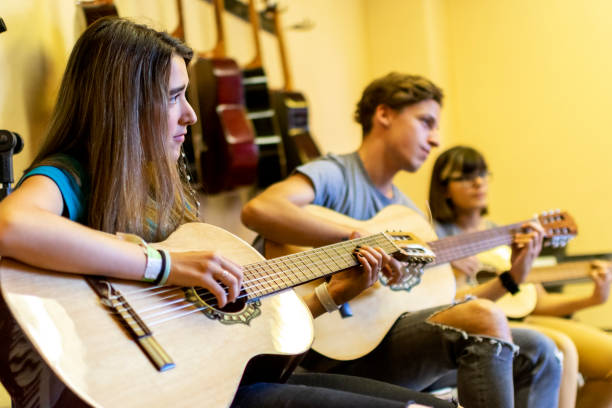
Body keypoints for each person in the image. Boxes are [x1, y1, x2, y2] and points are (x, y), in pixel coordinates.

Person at [0, 18, 458, 408]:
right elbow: (12, 225)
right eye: (174, 96)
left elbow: (239, 334)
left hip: (219, 385)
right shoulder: (70, 176)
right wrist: (165, 264)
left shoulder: (161, 197)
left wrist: (333, 294)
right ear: (125, 104)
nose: (191, 115)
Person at [241, 72, 562, 408]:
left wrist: (512, 278)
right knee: (485, 319)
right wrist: (353, 237)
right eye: (426, 122)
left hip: (386, 341)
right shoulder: (336, 174)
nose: (435, 139)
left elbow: (445, 306)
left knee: (538, 350)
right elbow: (260, 209)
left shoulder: (408, 215)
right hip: (324, 344)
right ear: (384, 115)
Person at [429, 145, 612, 408]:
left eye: (483, 174)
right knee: (563, 348)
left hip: (523, 317)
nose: (479, 183)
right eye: (466, 176)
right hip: (482, 326)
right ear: (444, 187)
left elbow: (537, 302)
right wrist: (451, 268)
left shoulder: (503, 235)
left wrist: (594, 298)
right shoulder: (434, 237)